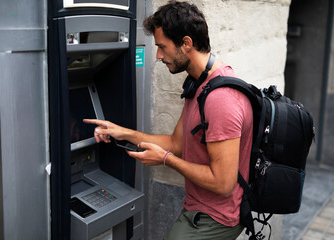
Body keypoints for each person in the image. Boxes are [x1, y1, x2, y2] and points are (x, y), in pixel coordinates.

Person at [84, 1, 253, 239]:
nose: (158, 56)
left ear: (186, 44)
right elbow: (176, 143)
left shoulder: (221, 99)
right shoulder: (199, 84)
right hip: (198, 206)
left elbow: (223, 183)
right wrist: (123, 132)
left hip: (216, 218)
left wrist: (166, 160)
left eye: (162, 47)